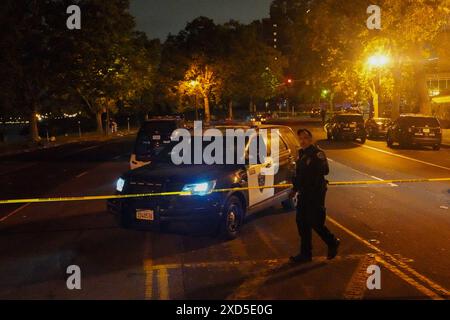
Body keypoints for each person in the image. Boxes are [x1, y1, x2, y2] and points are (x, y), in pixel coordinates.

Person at [290, 129, 340, 263]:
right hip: (304, 193)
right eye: (300, 138)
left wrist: (312, 165)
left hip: (316, 193)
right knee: (301, 222)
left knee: (315, 222)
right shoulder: (301, 154)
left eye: (305, 138)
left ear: (310, 139)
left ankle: (332, 242)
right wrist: (294, 189)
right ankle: (305, 254)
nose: (302, 141)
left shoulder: (317, 154)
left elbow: (325, 170)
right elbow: (299, 175)